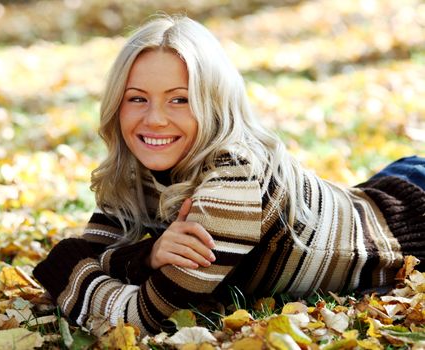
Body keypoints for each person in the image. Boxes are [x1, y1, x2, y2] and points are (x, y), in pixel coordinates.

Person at [33, 15, 425, 336]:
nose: (154, 118)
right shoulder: (135, 170)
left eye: (180, 99)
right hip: (379, 190)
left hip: (413, 217)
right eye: (137, 98)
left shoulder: (233, 181)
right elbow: (86, 253)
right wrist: (147, 256)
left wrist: (78, 267)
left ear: (214, 103)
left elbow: (135, 318)